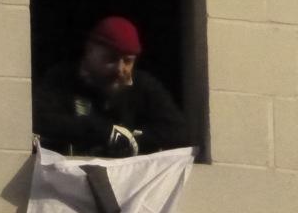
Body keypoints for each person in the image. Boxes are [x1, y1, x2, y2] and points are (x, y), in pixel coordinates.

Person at [33, 15, 189, 157]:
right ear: (89, 51)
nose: (120, 69)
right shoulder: (61, 79)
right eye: (111, 59)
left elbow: (177, 132)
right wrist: (102, 132)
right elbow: (41, 120)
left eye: (128, 61)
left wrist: (129, 140)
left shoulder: (144, 86)